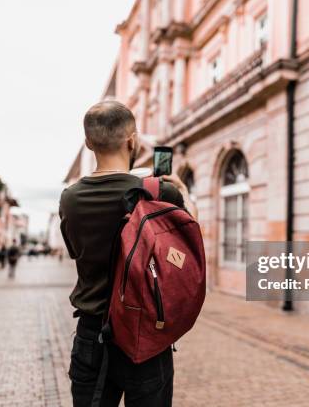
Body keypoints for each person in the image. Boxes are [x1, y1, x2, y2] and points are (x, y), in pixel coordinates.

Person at [59, 101, 197, 407]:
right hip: (145, 334)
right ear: (132, 140)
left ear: (88, 142)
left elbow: (74, 251)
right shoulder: (161, 192)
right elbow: (190, 247)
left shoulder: (70, 198)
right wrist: (182, 193)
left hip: (92, 332)